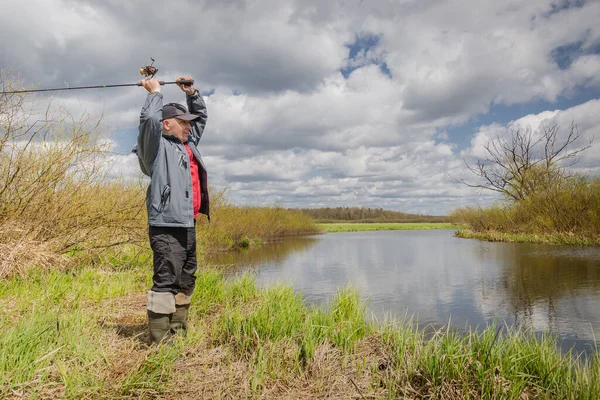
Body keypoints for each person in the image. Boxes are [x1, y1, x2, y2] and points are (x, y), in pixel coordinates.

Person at [135, 76, 209, 344]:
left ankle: (178, 332)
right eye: (183, 122)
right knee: (166, 281)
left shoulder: (187, 145)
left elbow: (200, 119)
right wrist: (155, 93)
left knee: (187, 279)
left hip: (188, 224)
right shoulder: (154, 148)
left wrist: (192, 94)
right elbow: (148, 122)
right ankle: (160, 342)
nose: (189, 126)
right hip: (166, 225)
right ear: (167, 124)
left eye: (189, 122)